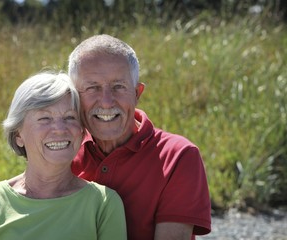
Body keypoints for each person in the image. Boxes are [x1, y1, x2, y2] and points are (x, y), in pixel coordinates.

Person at [68, 34, 211, 240]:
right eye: (92, 87)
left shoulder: (178, 156)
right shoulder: (64, 151)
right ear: (74, 96)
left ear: (137, 93)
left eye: (119, 86)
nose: (107, 102)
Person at [0, 72, 127, 240]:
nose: (60, 129)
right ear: (18, 135)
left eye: (69, 117)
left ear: (82, 132)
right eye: (45, 118)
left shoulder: (104, 204)